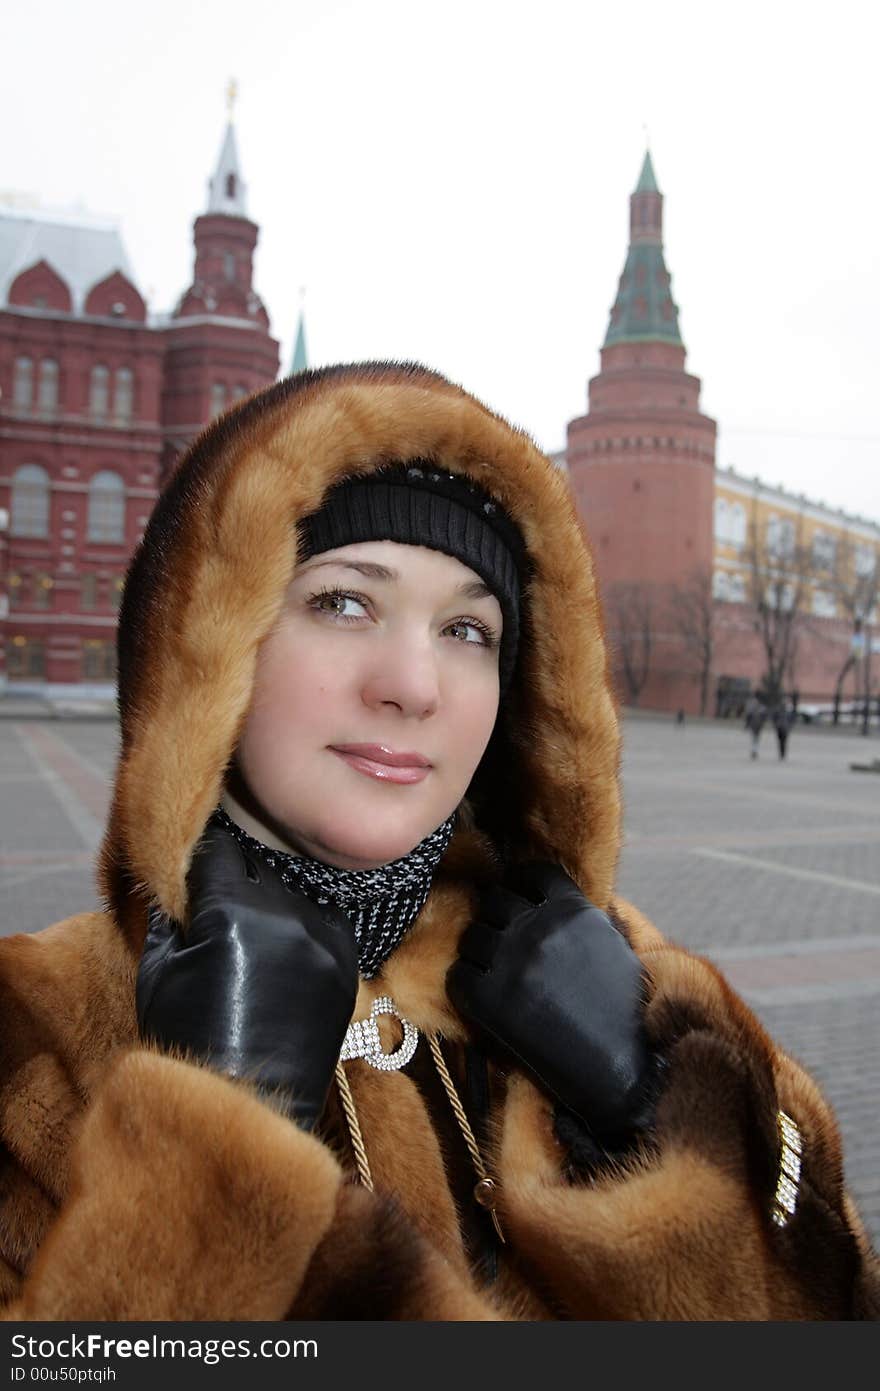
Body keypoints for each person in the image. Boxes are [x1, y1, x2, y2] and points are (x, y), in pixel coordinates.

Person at [1, 362, 877, 1321]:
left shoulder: (631, 975)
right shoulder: (40, 1030)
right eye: (343, 601)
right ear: (210, 644)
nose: (414, 685)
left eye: (467, 626)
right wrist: (214, 1149)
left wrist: (665, 1106)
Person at [745, 694, 767, 760]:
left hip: (758, 726)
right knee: (754, 738)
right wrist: (747, 725)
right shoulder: (752, 709)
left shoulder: (761, 708)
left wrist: (762, 724)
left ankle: (754, 750)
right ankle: (754, 750)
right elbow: (748, 718)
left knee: (756, 739)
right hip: (753, 726)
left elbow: (764, 718)